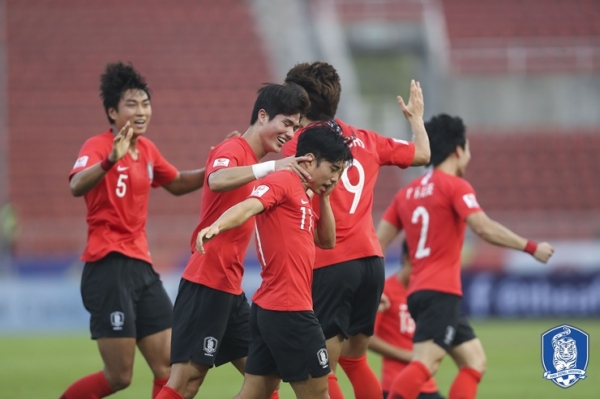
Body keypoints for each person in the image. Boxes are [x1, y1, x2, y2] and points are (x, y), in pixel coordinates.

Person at [376, 114, 555, 399]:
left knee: (474, 361)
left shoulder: (406, 194)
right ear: (458, 150)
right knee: (424, 363)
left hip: (421, 291)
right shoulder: (455, 185)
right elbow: (482, 227)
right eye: (468, 148)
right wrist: (531, 247)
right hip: (440, 291)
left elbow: (377, 242)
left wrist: (370, 287)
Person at [283, 61, 431, 399]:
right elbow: (423, 153)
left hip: (330, 262)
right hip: (371, 262)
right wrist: (416, 121)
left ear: (302, 102)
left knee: (322, 370)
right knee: (356, 359)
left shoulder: (300, 146)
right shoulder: (366, 139)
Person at [64, 61, 211, 399]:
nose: (142, 110)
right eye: (132, 104)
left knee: (168, 365)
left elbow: (175, 182)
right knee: (119, 376)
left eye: (145, 103)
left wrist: (219, 165)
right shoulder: (98, 146)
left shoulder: (146, 149)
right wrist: (109, 161)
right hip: (108, 267)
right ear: (112, 111)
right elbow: (76, 186)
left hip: (141, 268)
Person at [156, 83, 311, 399]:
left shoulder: (256, 162)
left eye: (296, 126)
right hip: (207, 281)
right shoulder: (234, 150)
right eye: (286, 123)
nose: (290, 132)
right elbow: (217, 179)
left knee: (265, 381)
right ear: (263, 115)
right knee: (186, 382)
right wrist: (272, 167)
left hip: (230, 287)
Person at [196, 122, 354, 399]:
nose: (335, 178)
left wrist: (325, 199)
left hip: (271, 309)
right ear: (309, 160)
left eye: (340, 173)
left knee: (254, 394)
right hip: (289, 310)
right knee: (319, 395)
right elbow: (248, 206)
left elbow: (327, 241)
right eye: (333, 169)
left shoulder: (304, 195)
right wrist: (217, 226)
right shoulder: (283, 181)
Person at [369, 240, 444, 399]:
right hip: (394, 383)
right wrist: (408, 356)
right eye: (420, 265)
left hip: (426, 382)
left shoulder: (424, 293)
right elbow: (368, 339)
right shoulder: (385, 292)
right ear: (405, 259)